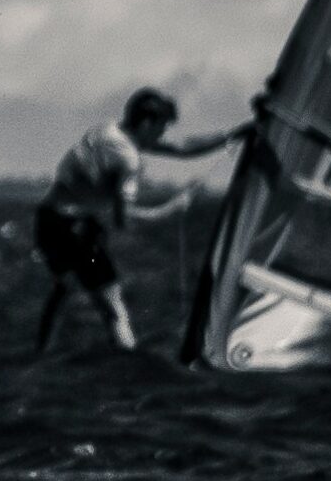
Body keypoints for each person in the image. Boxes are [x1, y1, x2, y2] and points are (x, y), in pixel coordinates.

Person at [33, 87, 251, 353]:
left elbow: (181, 148)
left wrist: (234, 135)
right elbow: (124, 220)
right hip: (76, 233)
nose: (163, 135)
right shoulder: (127, 159)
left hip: (47, 222)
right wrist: (170, 209)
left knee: (64, 288)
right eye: (161, 128)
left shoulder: (108, 130)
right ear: (147, 123)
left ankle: (40, 355)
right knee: (115, 309)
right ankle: (126, 363)